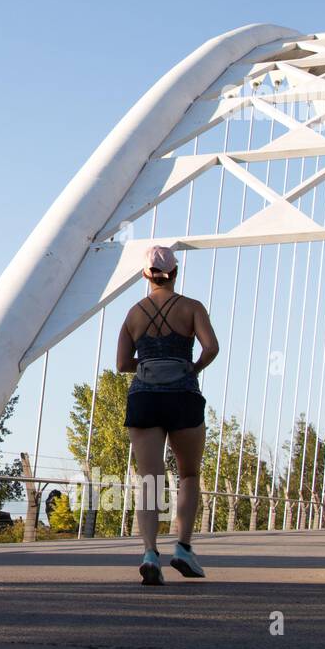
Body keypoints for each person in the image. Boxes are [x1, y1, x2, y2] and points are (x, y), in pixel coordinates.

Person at [117, 246, 219, 586]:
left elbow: (121, 364)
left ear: (145, 275)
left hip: (144, 397)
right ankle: (184, 547)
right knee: (188, 475)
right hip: (183, 396)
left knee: (149, 479)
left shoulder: (133, 314)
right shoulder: (192, 308)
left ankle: (149, 553)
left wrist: (147, 363)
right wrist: (191, 367)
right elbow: (211, 348)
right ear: (175, 273)